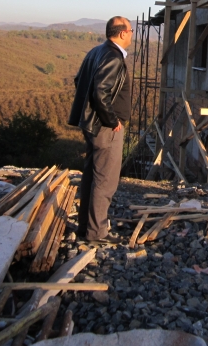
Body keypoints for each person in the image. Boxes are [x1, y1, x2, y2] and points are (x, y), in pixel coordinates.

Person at [68, 16, 133, 244]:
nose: (132, 35)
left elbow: (80, 81)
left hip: (91, 125)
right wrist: (111, 120)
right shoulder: (113, 56)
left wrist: (91, 113)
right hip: (106, 128)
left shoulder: (96, 51)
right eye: (131, 30)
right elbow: (100, 92)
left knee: (92, 176)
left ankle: (85, 228)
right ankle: (97, 234)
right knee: (105, 180)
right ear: (123, 33)